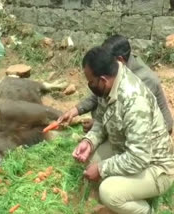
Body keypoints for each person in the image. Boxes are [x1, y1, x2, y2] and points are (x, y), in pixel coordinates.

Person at [73, 46, 174, 214]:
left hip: (154, 166)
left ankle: (145, 210)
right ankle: (130, 191)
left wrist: (102, 168)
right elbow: (101, 119)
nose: (89, 85)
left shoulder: (134, 102)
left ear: (103, 80)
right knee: (88, 160)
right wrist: (89, 141)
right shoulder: (111, 83)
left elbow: (139, 157)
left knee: (109, 192)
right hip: (129, 147)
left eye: (91, 82)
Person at [58, 35, 173, 134]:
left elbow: (132, 119)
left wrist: (101, 127)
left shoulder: (143, 81)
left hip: (152, 132)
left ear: (119, 60)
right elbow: (96, 97)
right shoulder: (118, 71)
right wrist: (74, 111)